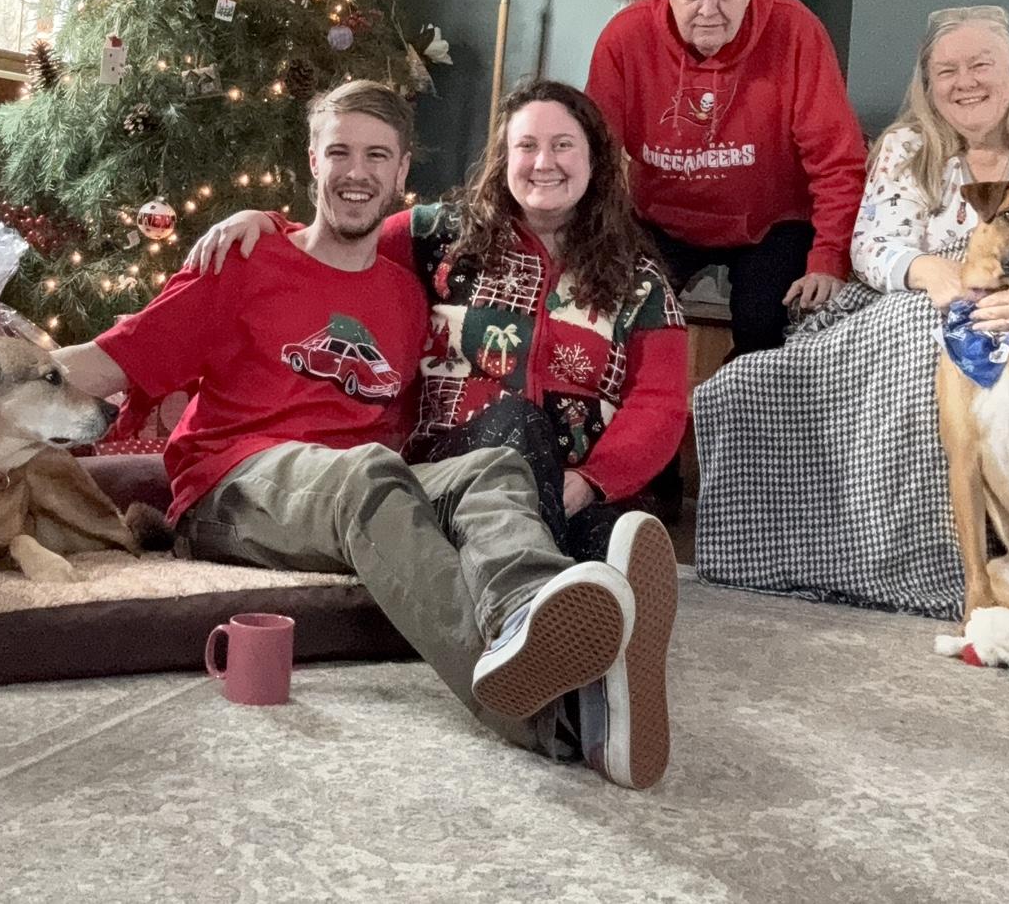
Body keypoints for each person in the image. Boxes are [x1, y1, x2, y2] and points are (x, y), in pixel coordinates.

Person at [0, 80, 677, 790]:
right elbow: (105, 362)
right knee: (368, 473)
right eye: (339, 152)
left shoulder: (408, 295)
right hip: (234, 491)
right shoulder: (245, 259)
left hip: (350, 491)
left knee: (493, 464)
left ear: (403, 174)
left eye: (377, 156)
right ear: (312, 160)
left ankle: (527, 620)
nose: (356, 172)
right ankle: (553, 714)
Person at [691, 5, 1009, 616]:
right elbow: (875, 244)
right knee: (766, 377)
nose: (965, 82)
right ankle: (849, 556)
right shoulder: (908, 147)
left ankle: (950, 577)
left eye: (981, 64)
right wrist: (930, 271)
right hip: (923, 290)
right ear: (927, 84)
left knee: (933, 335)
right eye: (946, 70)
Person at [189, 80, 689, 564]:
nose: (544, 163)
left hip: (580, 484)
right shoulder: (439, 235)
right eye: (526, 146)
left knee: (607, 538)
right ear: (504, 158)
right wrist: (272, 225)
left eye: (563, 146)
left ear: (594, 160)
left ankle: (559, 608)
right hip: (451, 467)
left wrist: (590, 481)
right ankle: (535, 592)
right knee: (518, 421)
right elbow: (336, 247)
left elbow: (659, 404)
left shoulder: (638, 280)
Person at [585, 0, 867, 355]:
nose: (709, 9)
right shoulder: (625, 37)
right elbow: (594, 156)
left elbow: (838, 159)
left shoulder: (797, 30)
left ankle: (740, 421)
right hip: (662, 214)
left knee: (766, 329)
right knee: (618, 315)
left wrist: (829, 258)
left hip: (774, 220)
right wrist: (589, 244)